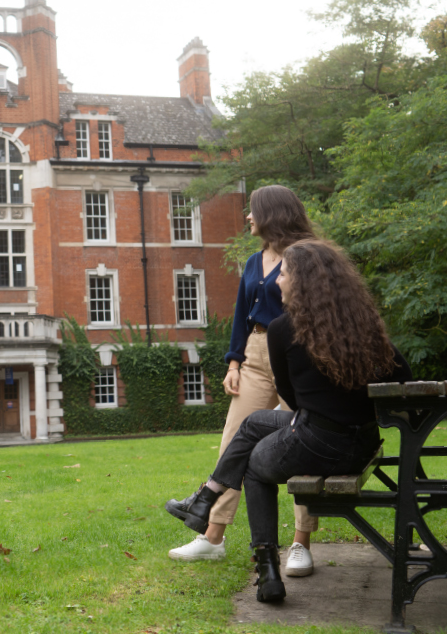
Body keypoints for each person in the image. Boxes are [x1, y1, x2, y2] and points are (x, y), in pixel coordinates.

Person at [164, 239, 411, 602]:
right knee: (252, 424)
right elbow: (403, 376)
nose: (278, 280)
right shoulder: (364, 325)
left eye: (284, 273)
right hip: (364, 443)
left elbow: (293, 401)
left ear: (303, 281)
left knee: (255, 464)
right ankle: (206, 497)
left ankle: (267, 571)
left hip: (320, 443)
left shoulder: (283, 329)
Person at [166, 185, 319, 575]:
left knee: (301, 443)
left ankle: (301, 543)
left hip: (295, 354)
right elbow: (240, 314)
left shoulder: (306, 256)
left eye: (252, 211)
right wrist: (233, 363)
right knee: (233, 441)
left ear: (271, 213)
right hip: (254, 354)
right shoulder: (254, 261)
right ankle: (212, 537)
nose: (247, 218)